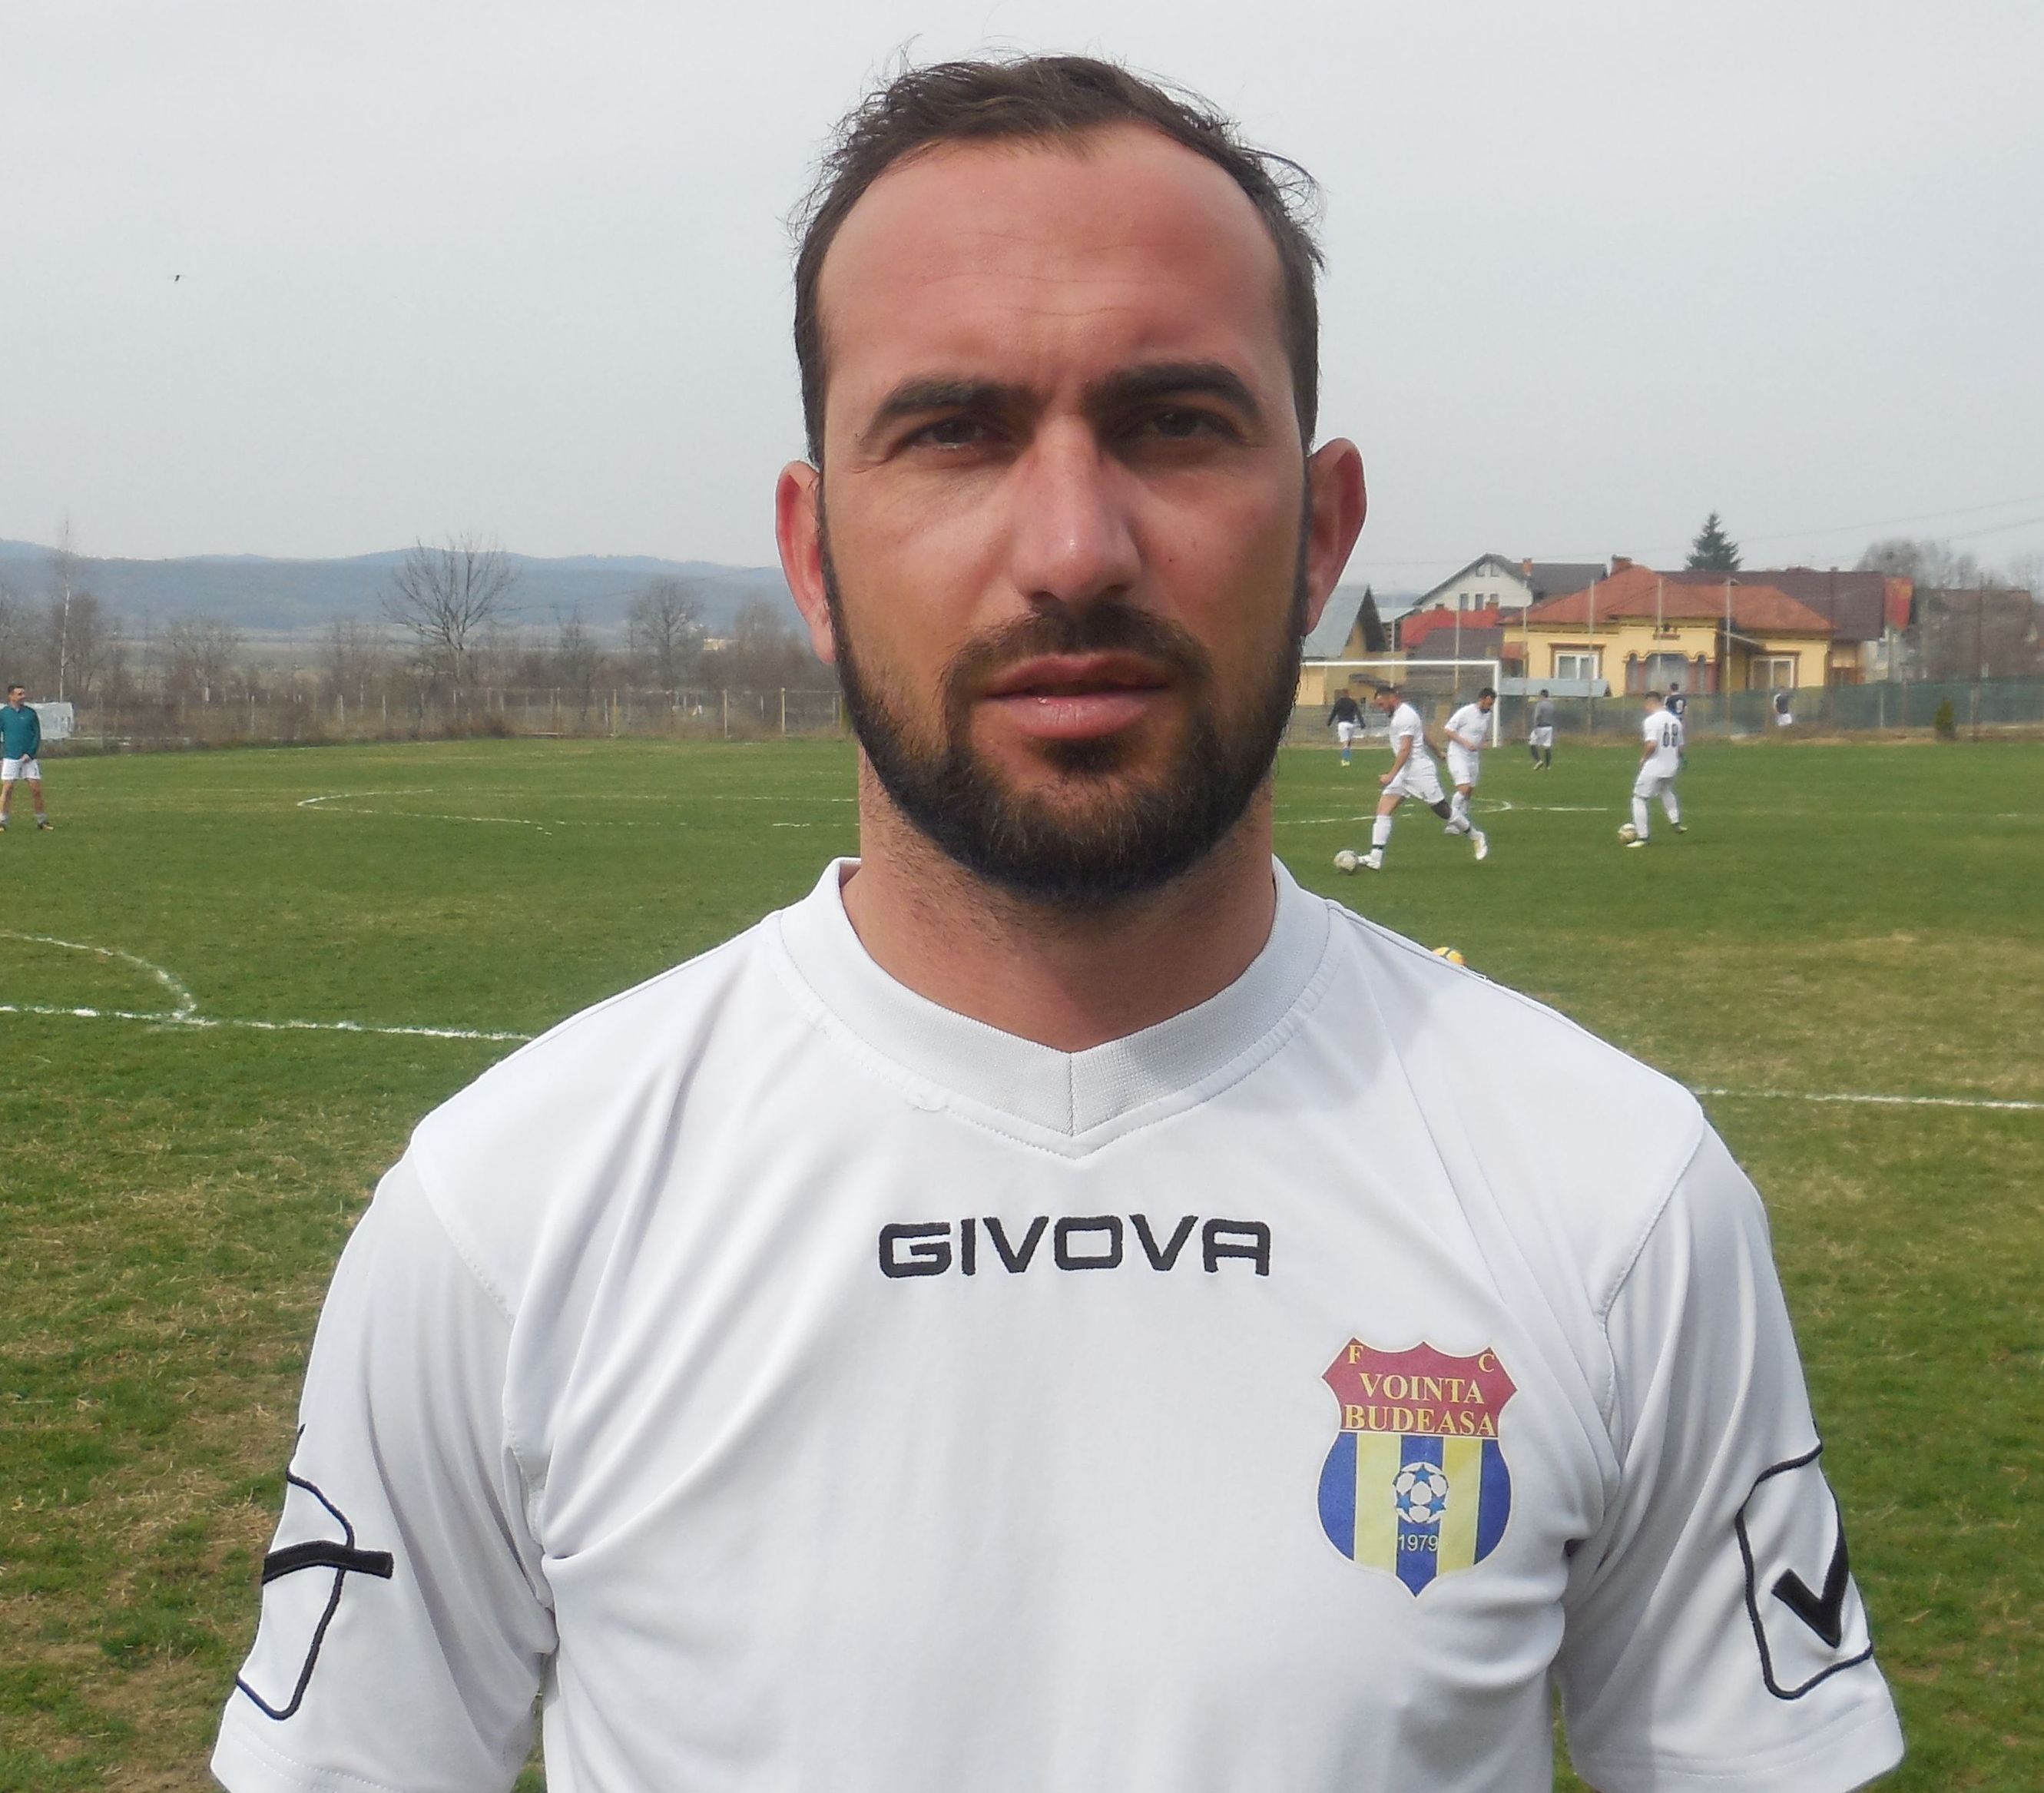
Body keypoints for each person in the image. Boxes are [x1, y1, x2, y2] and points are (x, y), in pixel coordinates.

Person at [214, 55, 1901, 1793]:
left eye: (1175, 424)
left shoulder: (1616, 1197)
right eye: (953, 432)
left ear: (1322, 533)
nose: (1076, 547)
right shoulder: (506, 1215)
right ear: (813, 554)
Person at [1350, 683, 1455, 871]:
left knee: (1441, 810)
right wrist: (1438, 751)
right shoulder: (1402, 715)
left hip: (1417, 771)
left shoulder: (1405, 716)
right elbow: (1422, 735)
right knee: (1383, 811)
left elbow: (1405, 749)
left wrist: (1391, 775)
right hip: (1405, 772)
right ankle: (1375, 857)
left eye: (1382, 705)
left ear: (1392, 698)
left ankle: (1472, 832)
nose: (1381, 709)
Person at [1628, 688, 1687, 847]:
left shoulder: (1651, 721)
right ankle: (1675, 821)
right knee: (1665, 790)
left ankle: (1642, 837)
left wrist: (1643, 758)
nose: (1645, 708)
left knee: (1639, 798)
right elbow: (1681, 747)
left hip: (1655, 765)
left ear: (1651, 703)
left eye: (1645, 705)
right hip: (1672, 765)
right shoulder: (1676, 721)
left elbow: (1652, 744)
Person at [1440, 685, 1492, 860]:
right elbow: (1448, 729)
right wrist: (1465, 743)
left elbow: (1481, 733)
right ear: (1482, 699)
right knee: (1464, 788)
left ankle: (1460, 818)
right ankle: (1453, 823)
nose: (1489, 706)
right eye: (1488, 703)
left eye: (1491, 704)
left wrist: (1480, 744)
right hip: (1458, 754)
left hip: (1473, 756)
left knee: (1470, 791)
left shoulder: (1488, 715)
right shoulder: (1466, 712)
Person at [0, 684, 53, 831]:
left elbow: (37, 735)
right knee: (7, 789)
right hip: (10, 757)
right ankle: (2, 821)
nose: (23, 696)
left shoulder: (30, 714)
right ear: (11, 696)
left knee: (36, 790)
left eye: (23, 693)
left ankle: (42, 821)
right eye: (19, 694)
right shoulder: (3, 714)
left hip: (29, 759)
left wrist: (30, 754)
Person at [1327, 687, 1363, 764]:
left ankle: (1345, 760)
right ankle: (1348, 760)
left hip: (1342, 724)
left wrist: (1329, 722)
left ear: (1342, 694)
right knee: (1349, 743)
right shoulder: (1352, 702)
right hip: (1351, 724)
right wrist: (1362, 723)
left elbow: (1334, 712)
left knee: (1345, 744)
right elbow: (1358, 713)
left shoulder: (1339, 702)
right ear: (1348, 694)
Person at [1529, 686, 1555, 769]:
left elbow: (1537, 716)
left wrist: (1535, 726)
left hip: (1541, 727)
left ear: (1542, 696)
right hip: (1549, 727)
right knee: (1547, 746)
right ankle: (1548, 766)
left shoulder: (1540, 705)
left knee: (1532, 743)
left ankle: (1538, 761)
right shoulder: (1551, 705)